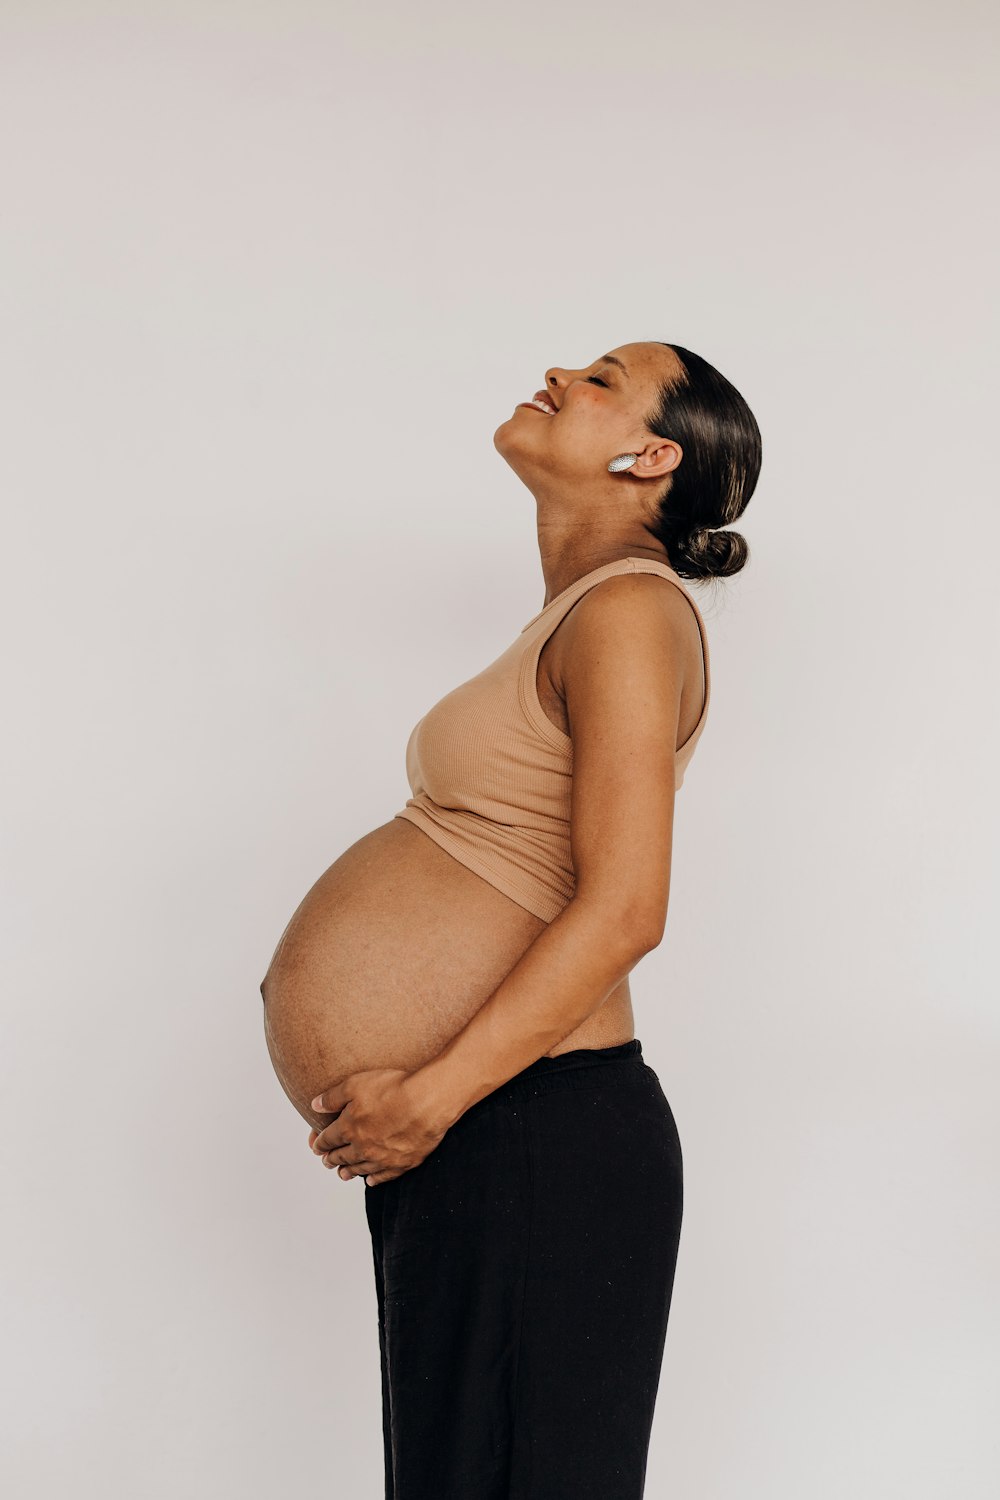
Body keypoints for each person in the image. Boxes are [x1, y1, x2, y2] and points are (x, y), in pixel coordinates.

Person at [298, 339, 761, 1497]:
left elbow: (625, 910)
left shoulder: (627, 614)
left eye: (602, 378)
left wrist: (431, 1096)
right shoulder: (578, 617)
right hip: (480, 1135)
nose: (561, 373)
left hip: (522, 1128)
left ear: (651, 456)